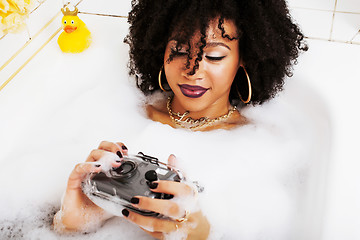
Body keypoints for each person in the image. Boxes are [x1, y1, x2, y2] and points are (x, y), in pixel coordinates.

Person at [53, 0, 310, 239]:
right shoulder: (118, 111)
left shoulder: (263, 148)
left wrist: (200, 232)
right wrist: (72, 222)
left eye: (214, 56)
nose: (193, 70)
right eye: (178, 51)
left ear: (244, 57)